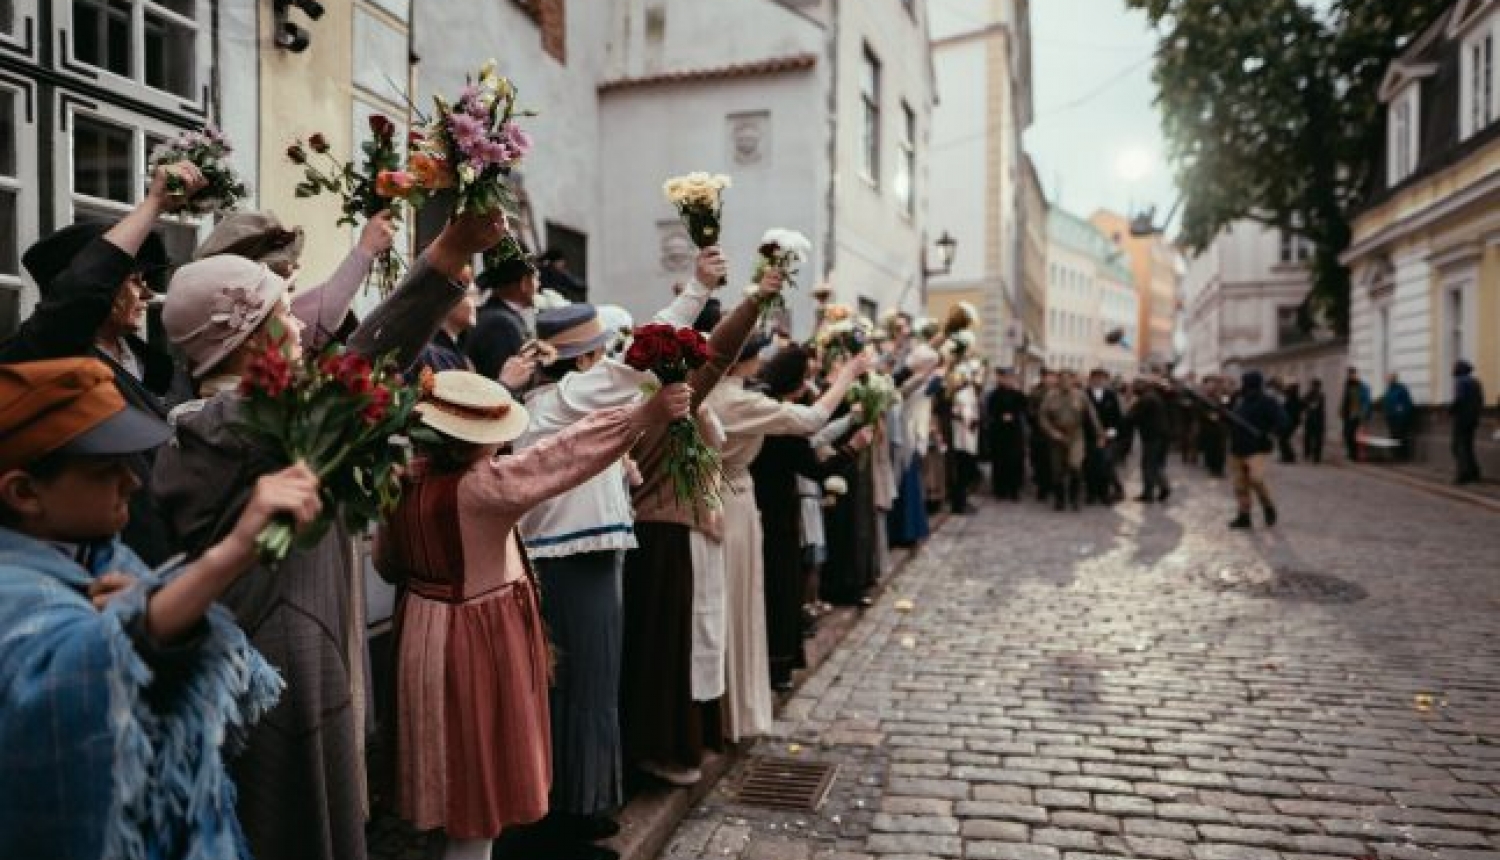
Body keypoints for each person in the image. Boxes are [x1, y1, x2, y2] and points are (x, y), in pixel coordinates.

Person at [152, 211, 509, 860]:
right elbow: (361, 365)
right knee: (296, 830)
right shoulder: (232, 426)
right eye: (282, 313)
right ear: (249, 341)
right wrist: (448, 253)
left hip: (298, 647)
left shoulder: (229, 423)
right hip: (286, 666)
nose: (298, 326)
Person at [0, 358, 322, 860]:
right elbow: (71, 679)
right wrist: (231, 554)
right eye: (106, 469)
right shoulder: (12, 595)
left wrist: (152, 605)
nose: (133, 481)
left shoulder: (106, 557)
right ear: (23, 492)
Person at [374, 369, 689, 860]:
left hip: (418, 631)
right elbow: (561, 457)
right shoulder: (482, 488)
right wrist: (641, 416)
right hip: (473, 639)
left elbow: (387, 565)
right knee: (477, 786)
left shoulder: (403, 484)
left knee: (443, 774)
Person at [513, 248, 723, 854]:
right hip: (572, 560)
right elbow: (640, 361)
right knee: (584, 686)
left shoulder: (553, 404)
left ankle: (581, 805)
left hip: (582, 557)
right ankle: (572, 813)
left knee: (589, 685)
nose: (608, 359)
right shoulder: (567, 398)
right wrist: (696, 288)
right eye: (600, 350)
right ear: (582, 358)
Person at [620, 269, 780, 787]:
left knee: (678, 645)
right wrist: (754, 299)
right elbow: (721, 355)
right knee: (674, 647)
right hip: (669, 534)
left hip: (662, 531)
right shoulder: (662, 403)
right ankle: (670, 748)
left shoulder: (631, 404)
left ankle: (682, 740)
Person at [3, 161, 205, 564]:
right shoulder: (51, 357)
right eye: (134, 279)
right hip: (95, 570)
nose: (147, 294)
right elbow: (79, 294)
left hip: (173, 559)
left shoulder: (160, 366)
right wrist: (155, 203)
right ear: (101, 285)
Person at [704, 334, 865, 740]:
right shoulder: (735, 400)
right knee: (736, 601)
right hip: (733, 500)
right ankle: (731, 708)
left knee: (722, 603)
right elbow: (810, 421)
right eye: (756, 358)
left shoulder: (717, 391)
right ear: (742, 363)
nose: (761, 366)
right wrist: (846, 377)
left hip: (719, 496)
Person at [193, 208, 397, 353]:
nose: (295, 267)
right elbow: (324, 312)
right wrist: (366, 249)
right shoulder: (257, 323)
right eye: (285, 263)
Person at [468, 236, 538, 385]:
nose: (538, 284)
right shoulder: (502, 325)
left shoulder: (488, 315)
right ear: (525, 282)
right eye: (536, 277)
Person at [1038, 369, 1104, 512]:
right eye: (1062, 379)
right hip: (1057, 435)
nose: (1065, 382)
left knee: (1075, 466)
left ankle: (1074, 499)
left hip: (1075, 436)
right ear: (1059, 381)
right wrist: (1051, 432)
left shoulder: (1080, 396)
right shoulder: (1051, 396)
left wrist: (1099, 434)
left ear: (1073, 381)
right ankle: (1060, 499)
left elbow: (1092, 415)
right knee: (1057, 470)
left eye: (1068, 379)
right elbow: (1042, 417)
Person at [1228, 370, 1286, 529]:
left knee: (1256, 479)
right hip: (1237, 448)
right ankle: (1244, 516)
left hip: (1257, 449)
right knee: (1240, 485)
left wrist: (1268, 433)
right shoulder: (1239, 400)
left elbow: (1282, 421)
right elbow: (1232, 420)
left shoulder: (1268, 401)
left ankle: (1268, 506)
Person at [414, 270, 480, 375]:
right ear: (445, 299)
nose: (477, 304)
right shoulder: (432, 353)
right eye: (470, 295)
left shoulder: (458, 345)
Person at [986, 368, 1028, 501]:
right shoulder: (993, 395)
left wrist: (1013, 415)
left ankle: (1013, 489)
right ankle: (1000, 490)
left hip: (1014, 433)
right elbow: (990, 411)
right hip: (999, 432)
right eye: (1005, 378)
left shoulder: (1018, 394)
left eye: (1010, 378)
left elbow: (1024, 408)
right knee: (999, 461)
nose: (1007, 380)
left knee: (1014, 462)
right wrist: (1000, 417)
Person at [1128, 377, 1172, 503]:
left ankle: (1149, 493)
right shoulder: (1153, 396)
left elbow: (1132, 417)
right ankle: (1163, 486)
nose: (1133, 388)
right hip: (1161, 434)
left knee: (1148, 464)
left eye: (1135, 385)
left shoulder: (1146, 399)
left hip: (1152, 436)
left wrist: (1131, 404)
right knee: (1155, 463)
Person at [1085, 368, 1124, 504]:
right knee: (1090, 466)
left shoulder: (1111, 395)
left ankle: (1104, 493)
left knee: (1105, 466)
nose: (1098, 381)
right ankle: (1091, 494)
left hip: (1108, 437)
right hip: (1089, 436)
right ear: (1090, 379)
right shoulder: (1085, 394)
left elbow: (1118, 417)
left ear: (1105, 380)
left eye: (1101, 378)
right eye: (1096, 378)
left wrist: (1110, 433)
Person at [948, 366, 981, 515]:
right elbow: (964, 415)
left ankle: (963, 501)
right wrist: (971, 421)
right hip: (962, 439)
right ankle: (959, 504)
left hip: (969, 438)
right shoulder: (962, 394)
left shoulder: (970, 393)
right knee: (961, 473)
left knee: (966, 473)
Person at [1451, 360, 1485, 484]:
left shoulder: (1461, 382)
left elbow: (1459, 399)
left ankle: (1463, 474)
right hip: (1473, 419)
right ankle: (1474, 472)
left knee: (1458, 447)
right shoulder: (1476, 382)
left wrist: (1450, 411)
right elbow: (1481, 401)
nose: (1452, 369)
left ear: (1460, 369)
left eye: (1454, 367)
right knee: (1468, 446)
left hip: (1462, 419)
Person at [1382, 373, 1415, 461]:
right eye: (1388, 379)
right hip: (1391, 417)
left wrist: (1403, 414)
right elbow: (1386, 402)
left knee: (1401, 437)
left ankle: (1403, 456)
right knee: (1393, 436)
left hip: (1400, 418)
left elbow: (1407, 403)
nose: (1388, 380)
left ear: (1395, 379)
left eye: (1390, 378)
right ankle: (1395, 455)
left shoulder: (1401, 389)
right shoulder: (1388, 390)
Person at [1341, 368, 1372, 462]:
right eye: (1350, 374)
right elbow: (1345, 399)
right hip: (1348, 414)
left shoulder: (1362, 386)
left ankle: (1354, 454)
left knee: (1353, 435)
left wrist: (1364, 413)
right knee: (1346, 434)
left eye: (1353, 374)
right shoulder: (1347, 385)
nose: (1351, 376)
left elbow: (1366, 401)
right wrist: (1342, 410)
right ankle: (1351, 453)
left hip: (1357, 414)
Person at [1303, 377, 1327, 463]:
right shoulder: (1310, 395)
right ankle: (1310, 454)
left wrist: (1308, 405)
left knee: (1315, 438)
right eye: (1314, 386)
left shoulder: (1320, 396)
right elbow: (1306, 404)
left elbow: (1312, 406)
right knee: (1310, 438)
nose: (1315, 387)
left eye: (1316, 386)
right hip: (1313, 419)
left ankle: (1315, 456)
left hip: (1316, 419)